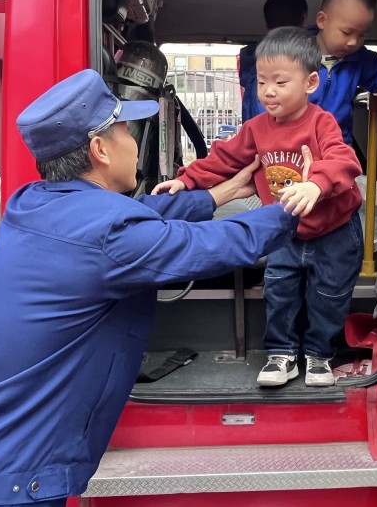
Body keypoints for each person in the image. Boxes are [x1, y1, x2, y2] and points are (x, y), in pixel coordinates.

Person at [0, 70, 300, 506]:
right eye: (127, 131)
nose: (135, 143)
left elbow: (138, 212)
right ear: (100, 149)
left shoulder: (35, 202)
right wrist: (297, 200)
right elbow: (217, 245)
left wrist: (221, 192)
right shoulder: (105, 235)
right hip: (3, 490)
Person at [153, 27, 363, 388]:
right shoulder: (256, 129)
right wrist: (187, 180)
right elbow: (223, 159)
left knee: (328, 295)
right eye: (262, 82)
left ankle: (317, 355)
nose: (268, 91)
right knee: (279, 291)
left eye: (281, 82)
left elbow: (345, 159)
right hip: (284, 229)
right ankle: (281, 354)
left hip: (334, 230)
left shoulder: (321, 122)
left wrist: (317, 182)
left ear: (310, 83)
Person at [310, 0, 377, 145]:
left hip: (337, 147)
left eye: (361, 35)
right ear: (322, 21)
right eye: (346, 32)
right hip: (295, 149)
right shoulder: (293, 56)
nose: (353, 42)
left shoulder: (358, 60)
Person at [239, 0, 309, 122]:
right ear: (304, 20)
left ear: (267, 26)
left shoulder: (253, 67)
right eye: (262, 82)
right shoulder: (306, 61)